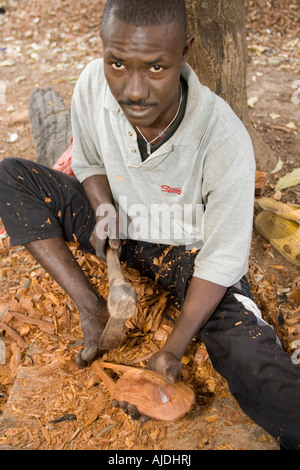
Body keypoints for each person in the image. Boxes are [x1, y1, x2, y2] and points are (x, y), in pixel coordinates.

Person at [0, 0, 300, 449]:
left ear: (185, 51)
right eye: (117, 63)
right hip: (120, 223)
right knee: (11, 177)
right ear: (103, 50)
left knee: (253, 360)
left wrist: (173, 348)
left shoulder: (223, 139)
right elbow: (89, 159)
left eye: (156, 66)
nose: (133, 90)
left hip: (191, 253)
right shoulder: (91, 86)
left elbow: (222, 258)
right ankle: (91, 308)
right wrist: (102, 206)